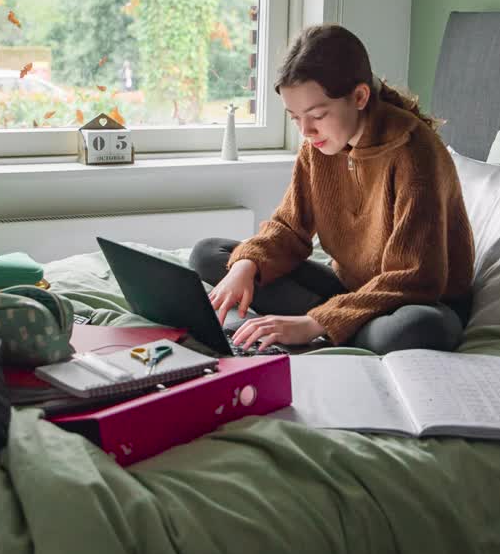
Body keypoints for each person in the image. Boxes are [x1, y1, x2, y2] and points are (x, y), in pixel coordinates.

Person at [189, 24, 474, 354]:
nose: (306, 131)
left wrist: (315, 323)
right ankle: (341, 324)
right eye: (295, 118)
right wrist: (247, 265)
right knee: (210, 255)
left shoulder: (414, 152)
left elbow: (415, 277)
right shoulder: (318, 147)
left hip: (420, 301)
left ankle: (329, 325)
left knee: (418, 329)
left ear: (360, 97)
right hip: (350, 291)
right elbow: (288, 229)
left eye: (317, 115)